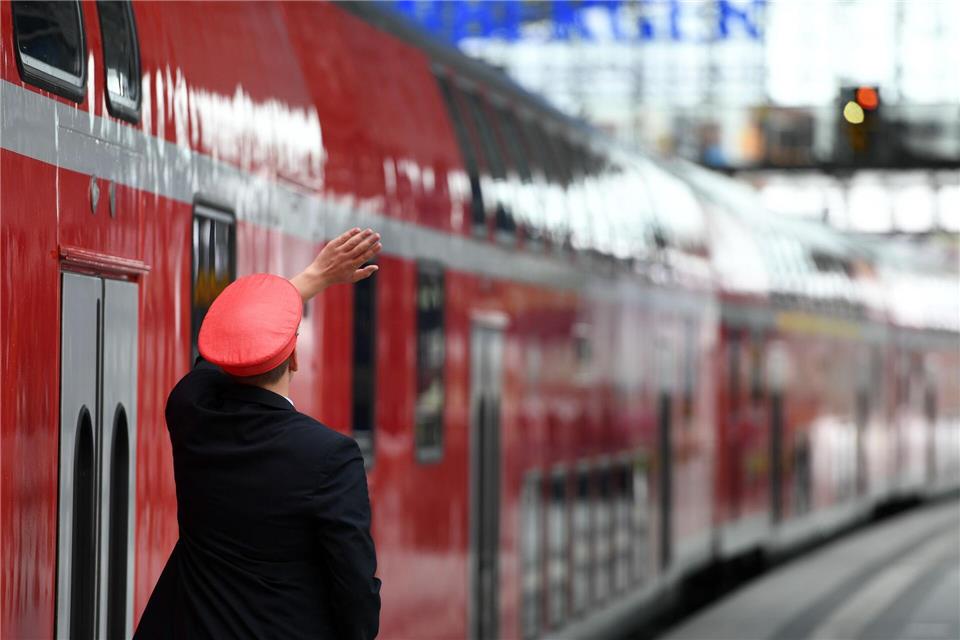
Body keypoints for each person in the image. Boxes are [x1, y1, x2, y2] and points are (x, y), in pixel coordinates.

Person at [134, 227, 383, 640]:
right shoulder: (330, 457)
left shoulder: (191, 414)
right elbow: (357, 602)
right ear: (296, 358)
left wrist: (311, 279)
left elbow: (217, 356)